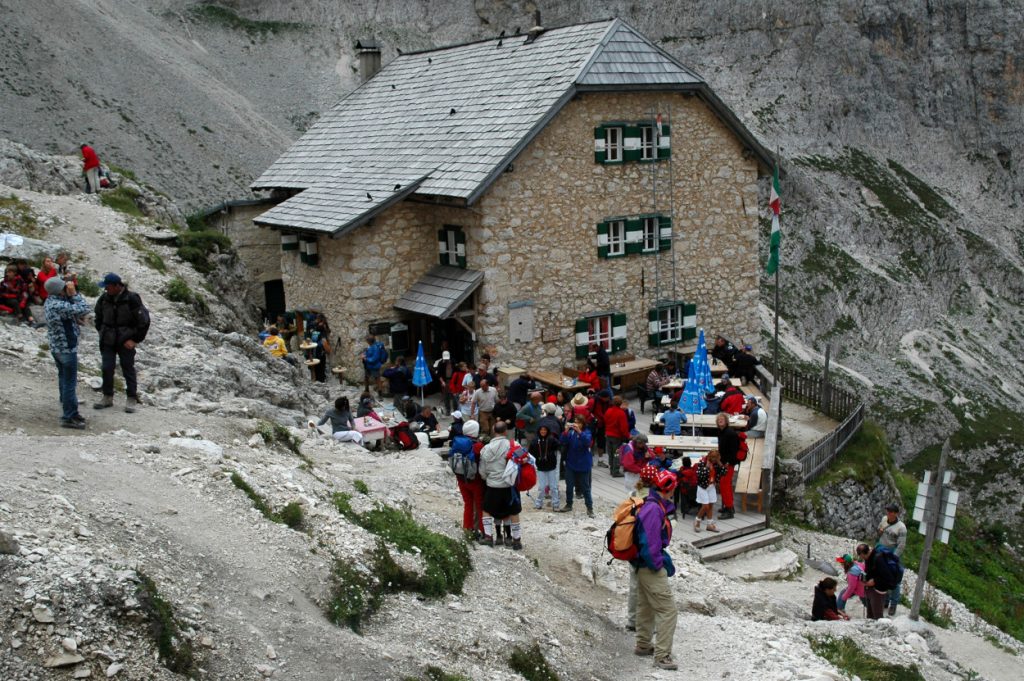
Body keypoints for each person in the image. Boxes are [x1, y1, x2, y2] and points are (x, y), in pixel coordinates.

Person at [632, 470, 679, 671]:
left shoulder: (650, 504)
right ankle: (662, 656)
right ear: (668, 489)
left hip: (640, 565)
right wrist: (658, 564)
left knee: (646, 605)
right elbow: (650, 544)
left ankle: (643, 644)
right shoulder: (654, 510)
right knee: (668, 610)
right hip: (649, 566)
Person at [93, 273, 149, 413]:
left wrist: (134, 339)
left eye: (108, 287)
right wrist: (102, 331)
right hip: (107, 339)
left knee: (127, 368)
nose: (106, 290)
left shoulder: (132, 299)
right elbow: (98, 317)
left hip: (125, 340)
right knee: (107, 367)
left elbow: (144, 321)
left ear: (117, 286)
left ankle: (131, 397)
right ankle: (107, 396)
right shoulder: (104, 299)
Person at [43, 277, 91, 429]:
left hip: (56, 348)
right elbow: (84, 308)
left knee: (63, 379)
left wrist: (68, 295)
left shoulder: (50, 301)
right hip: (66, 349)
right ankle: (69, 416)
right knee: (69, 383)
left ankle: (70, 410)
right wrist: (74, 293)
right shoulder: (58, 304)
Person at [478, 422, 522, 549]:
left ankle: (488, 537)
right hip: (510, 485)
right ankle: (516, 540)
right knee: (514, 511)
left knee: (486, 510)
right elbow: (523, 460)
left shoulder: (485, 449)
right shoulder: (514, 445)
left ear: (493, 431)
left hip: (493, 485)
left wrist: (488, 478)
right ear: (505, 431)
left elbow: (482, 471)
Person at [449, 419, 484, 538]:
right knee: (479, 506)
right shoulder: (477, 446)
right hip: (475, 480)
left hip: (461, 478)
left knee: (468, 504)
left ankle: (467, 529)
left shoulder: (457, 442)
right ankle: (482, 532)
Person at [558, 415, 594, 518]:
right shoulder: (571, 432)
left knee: (585, 487)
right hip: (571, 463)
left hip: (583, 464)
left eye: (579, 422)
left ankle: (590, 508)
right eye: (575, 422)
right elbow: (562, 441)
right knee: (569, 486)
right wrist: (565, 431)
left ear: (583, 424)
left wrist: (579, 432)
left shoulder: (587, 432)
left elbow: (587, 442)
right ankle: (569, 504)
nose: (576, 424)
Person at [877, 503, 907, 616]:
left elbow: (901, 545)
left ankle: (893, 604)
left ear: (896, 513)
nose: (888, 514)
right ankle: (885, 600)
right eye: (888, 511)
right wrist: (880, 530)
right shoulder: (884, 519)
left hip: (892, 553)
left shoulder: (901, 527)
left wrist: (894, 557)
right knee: (882, 576)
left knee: (895, 580)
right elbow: (879, 531)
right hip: (881, 550)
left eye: (891, 512)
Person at [863, 543, 900, 620]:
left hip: (879, 590)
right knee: (870, 614)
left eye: (861, 556)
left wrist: (874, 581)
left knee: (878, 616)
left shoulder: (878, 558)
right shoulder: (869, 558)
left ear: (864, 553)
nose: (861, 558)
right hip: (872, 589)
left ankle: (879, 627)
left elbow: (887, 576)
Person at [716, 412, 741, 520]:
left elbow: (733, 451)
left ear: (726, 421)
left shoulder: (730, 433)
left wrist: (727, 463)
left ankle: (729, 510)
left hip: (728, 464)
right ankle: (728, 506)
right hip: (724, 462)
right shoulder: (721, 432)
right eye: (718, 419)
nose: (720, 420)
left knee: (724, 486)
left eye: (722, 419)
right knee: (725, 486)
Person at [530, 424, 560, 511]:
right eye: (541, 430)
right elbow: (530, 452)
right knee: (542, 487)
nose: (543, 432)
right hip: (540, 467)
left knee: (553, 486)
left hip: (551, 466)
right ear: (539, 431)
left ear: (547, 431)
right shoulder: (535, 440)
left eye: (545, 430)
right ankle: (538, 503)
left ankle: (555, 504)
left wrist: (552, 454)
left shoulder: (552, 439)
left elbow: (559, 446)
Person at [694, 449, 725, 532]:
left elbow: (724, 472)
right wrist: (707, 467)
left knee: (710, 505)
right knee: (705, 506)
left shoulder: (716, 463)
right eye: (713, 457)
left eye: (716, 457)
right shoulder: (702, 462)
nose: (714, 459)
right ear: (709, 456)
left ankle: (709, 524)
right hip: (703, 487)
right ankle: (697, 520)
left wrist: (719, 463)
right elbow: (700, 475)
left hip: (711, 486)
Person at [836, 544, 871, 614]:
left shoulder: (851, 572)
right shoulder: (857, 564)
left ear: (846, 564)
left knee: (843, 594)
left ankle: (839, 610)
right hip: (865, 587)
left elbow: (851, 588)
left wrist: (844, 598)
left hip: (860, 589)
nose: (841, 565)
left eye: (842, 563)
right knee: (867, 603)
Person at [604, 395, 630, 477]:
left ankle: (612, 469)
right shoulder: (621, 413)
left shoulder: (608, 411)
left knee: (610, 453)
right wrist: (627, 435)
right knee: (616, 454)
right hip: (617, 437)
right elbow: (624, 427)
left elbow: (605, 421)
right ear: (620, 403)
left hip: (608, 435)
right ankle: (615, 471)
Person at [434, 350, 456, 414]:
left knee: (454, 395)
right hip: (445, 380)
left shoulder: (453, 362)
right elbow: (439, 374)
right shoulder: (440, 363)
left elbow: (456, 371)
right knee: (446, 396)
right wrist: (442, 382)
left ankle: (455, 410)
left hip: (452, 380)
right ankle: (448, 410)